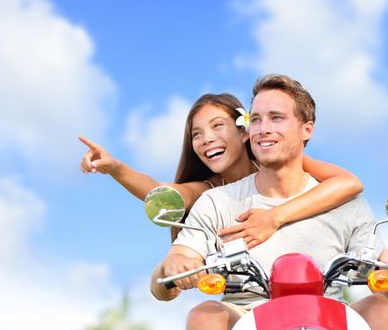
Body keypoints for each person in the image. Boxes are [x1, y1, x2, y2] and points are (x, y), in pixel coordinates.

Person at [150, 75, 388, 330]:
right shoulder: (217, 201)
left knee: (384, 309)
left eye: (276, 118)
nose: (263, 128)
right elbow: (164, 283)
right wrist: (173, 267)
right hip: (245, 320)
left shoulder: (344, 204)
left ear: (306, 129)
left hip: (328, 321)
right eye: (256, 119)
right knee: (204, 315)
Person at [79, 93, 363, 248]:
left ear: (244, 132)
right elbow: (162, 193)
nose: (207, 139)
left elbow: (348, 182)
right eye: (197, 134)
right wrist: (114, 167)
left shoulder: (278, 165)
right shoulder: (212, 192)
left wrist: (274, 217)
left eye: (217, 126)